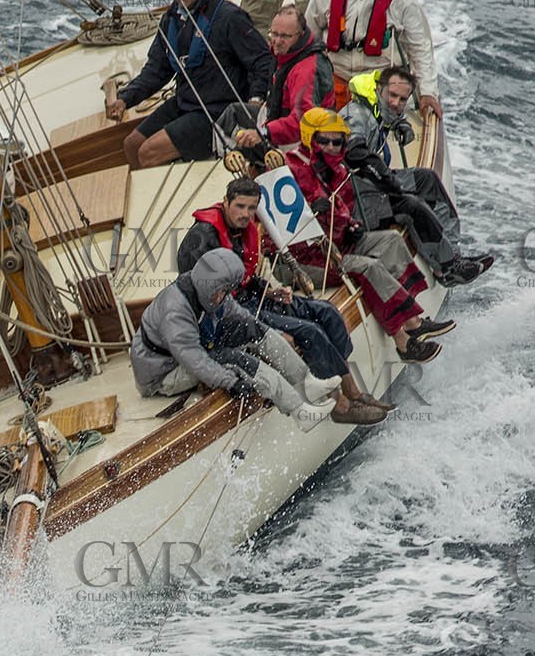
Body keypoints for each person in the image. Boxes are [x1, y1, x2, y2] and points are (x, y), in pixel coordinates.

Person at [177, 178, 388, 424]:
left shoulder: (241, 231)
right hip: (229, 313)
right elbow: (202, 297)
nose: (246, 214)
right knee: (309, 331)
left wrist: (268, 291)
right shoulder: (202, 239)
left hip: (251, 297)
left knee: (327, 311)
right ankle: (340, 406)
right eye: (240, 206)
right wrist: (268, 330)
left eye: (251, 208)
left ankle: (354, 391)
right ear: (225, 202)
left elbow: (243, 278)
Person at [283, 108, 452, 363]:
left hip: (339, 243)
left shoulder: (337, 170)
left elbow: (343, 207)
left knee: (392, 241)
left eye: (337, 141)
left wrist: (351, 223)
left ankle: (414, 319)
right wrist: (315, 209)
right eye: (324, 141)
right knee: (369, 267)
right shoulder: (293, 169)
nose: (331, 147)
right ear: (310, 138)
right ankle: (403, 344)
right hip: (307, 260)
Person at [132, 247, 340, 433]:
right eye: (223, 292)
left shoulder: (207, 289)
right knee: (232, 359)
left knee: (251, 327)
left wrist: (265, 331)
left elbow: (239, 315)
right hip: (163, 375)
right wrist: (230, 383)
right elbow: (194, 360)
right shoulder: (175, 311)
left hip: (191, 350)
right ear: (211, 289)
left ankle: (306, 382)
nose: (225, 296)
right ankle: (300, 412)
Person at [106, 0, 273, 169]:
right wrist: (125, 99)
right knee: (132, 144)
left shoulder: (230, 18)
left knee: (148, 152)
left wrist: (255, 101)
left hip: (216, 110)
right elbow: (157, 69)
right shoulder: (171, 19)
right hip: (186, 101)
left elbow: (262, 61)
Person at [339, 68, 494, 285]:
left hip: (369, 188)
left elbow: (385, 115)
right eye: (392, 96)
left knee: (426, 179)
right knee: (411, 206)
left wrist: (400, 123)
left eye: (402, 99)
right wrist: (384, 176)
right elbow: (353, 152)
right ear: (379, 90)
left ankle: (453, 253)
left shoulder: (375, 108)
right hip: (353, 202)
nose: (396, 103)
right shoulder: (355, 114)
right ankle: (447, 270)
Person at [305, 0, 440, 117]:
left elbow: (420, 48)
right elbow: (308, 38)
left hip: (379, 85)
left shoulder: (404, 0)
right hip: (334, 76)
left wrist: (428, 92)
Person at [216, 5, 335, 161]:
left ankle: (260, 167)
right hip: (278, 120)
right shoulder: (284, 53)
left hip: (305, 142)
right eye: (274, 34)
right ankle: (248, 164)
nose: (277, 41)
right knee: (230, 115)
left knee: (247, 142)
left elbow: (304, 121)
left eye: (285, 36)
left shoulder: (306, 70)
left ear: (301, 34)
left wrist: (265, 133)